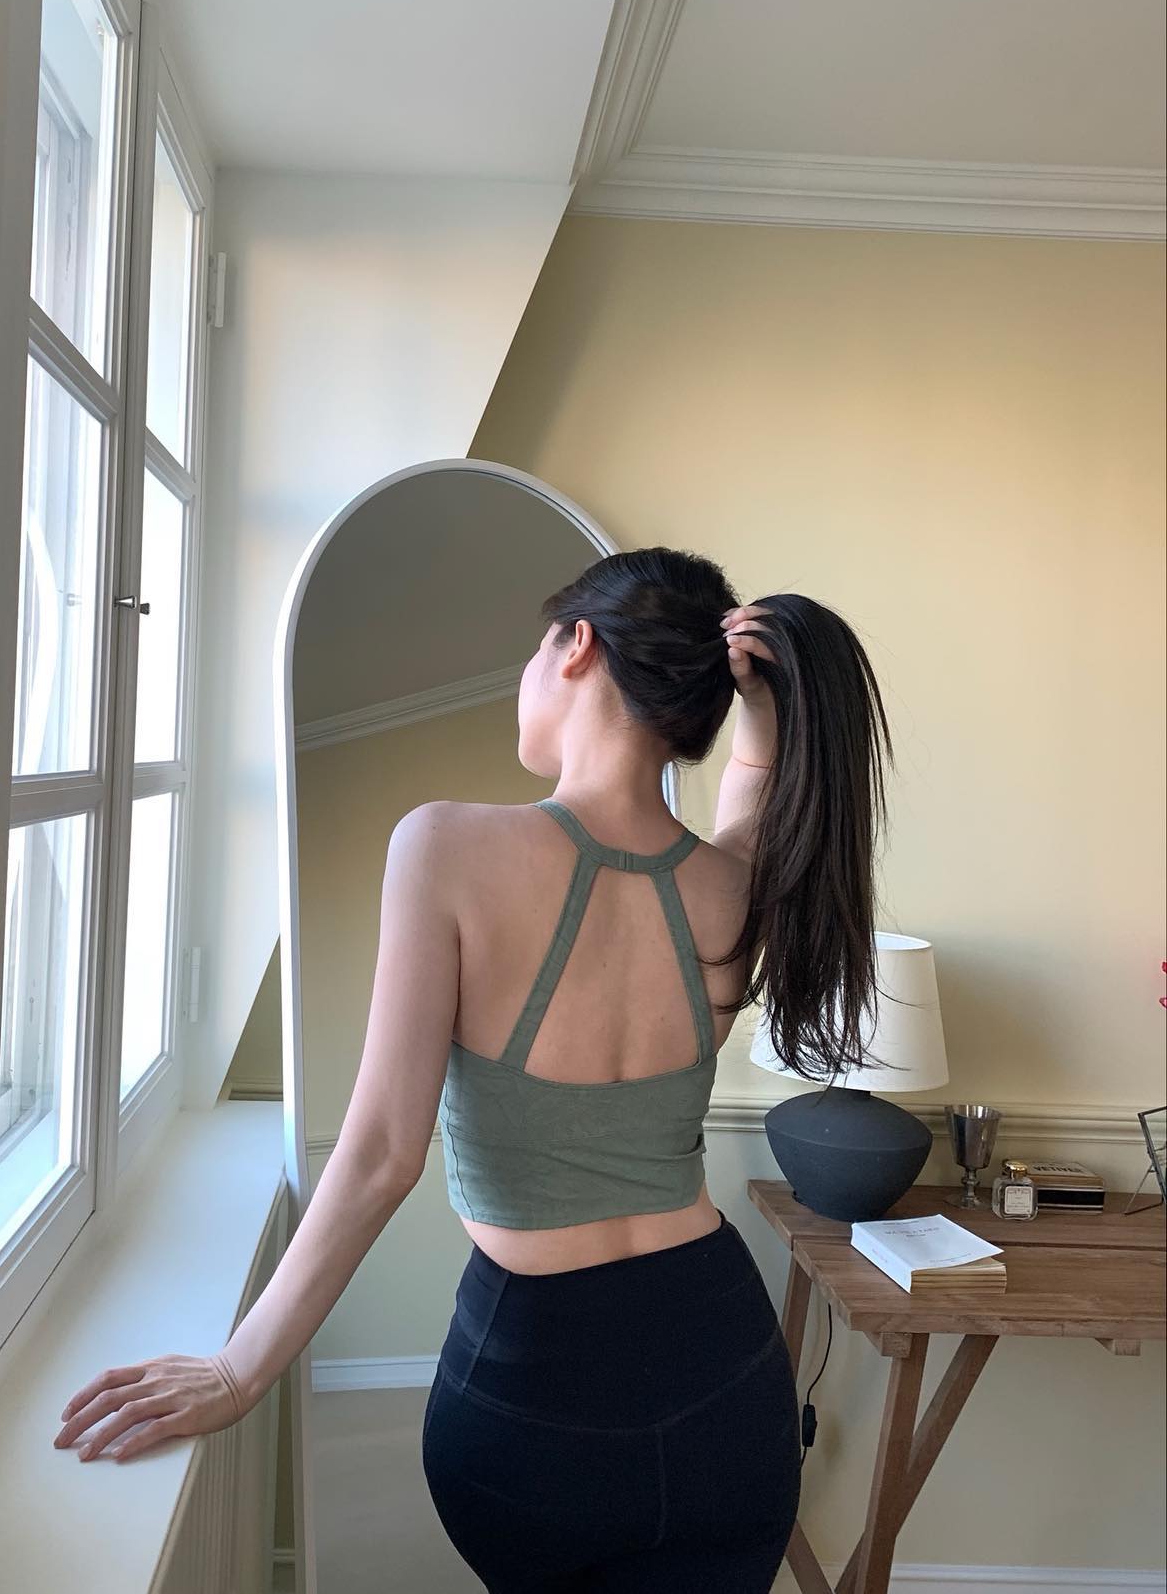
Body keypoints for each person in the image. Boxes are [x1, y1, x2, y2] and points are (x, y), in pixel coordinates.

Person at [53, 546, 894, 1594]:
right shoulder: (731, 889)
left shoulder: (445, 847)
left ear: (576, 645)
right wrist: (761, 719)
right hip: (726, 1379)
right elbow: (751, 812)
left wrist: (239, 1368)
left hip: (538, 1391)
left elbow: (379, 1153)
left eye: (535, 650)